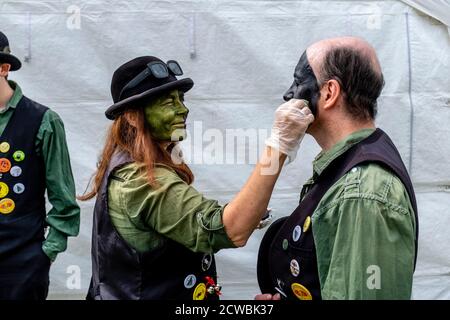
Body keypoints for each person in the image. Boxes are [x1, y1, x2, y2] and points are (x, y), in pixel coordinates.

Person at [79, 55, 314, 300]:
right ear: (132, 116)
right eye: (169, 102)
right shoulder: (139, 182)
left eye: (180, 99)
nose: (184, 108)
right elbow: (232, 230)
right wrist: (278, 145)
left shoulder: (129, 163)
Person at [256, 36, 418, 300]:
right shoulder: (349, 164)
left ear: (329, 93)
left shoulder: (364, 190)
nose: (288, 94)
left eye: (299, 82)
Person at [0, 31, 80, 300]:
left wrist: (45, 253)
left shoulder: (43, 121)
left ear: (4, 67)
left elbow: (64, 200)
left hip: (21, 265)